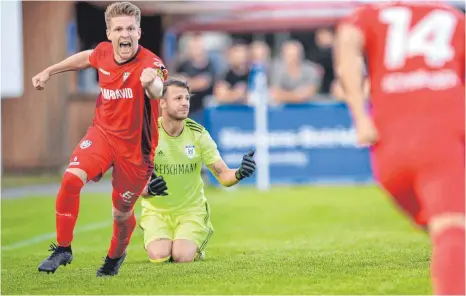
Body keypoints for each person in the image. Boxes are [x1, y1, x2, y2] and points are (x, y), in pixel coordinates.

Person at [334, 2, 464, 294]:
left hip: (389, 149)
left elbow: (347, 46)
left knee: (444, 231)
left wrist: (360, 115)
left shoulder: (369, 16)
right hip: (442, 140)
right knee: (452, 231)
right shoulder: (454, 19)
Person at [31, 2, 168, 276]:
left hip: (136, 152)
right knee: (71, 178)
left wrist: (150, 82)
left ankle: (114, 258)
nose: (124, 34)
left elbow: (157, 90)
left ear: (139, 32)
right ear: (109, 33)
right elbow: (85, 57)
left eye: (130, 28)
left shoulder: (151, 64)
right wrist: (48, 71)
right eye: (118, 29)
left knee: (121, 214)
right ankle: (63, 248)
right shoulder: (103, 53)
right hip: (103, 134)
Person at [139, 77, 256, 263]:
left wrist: (240, 172)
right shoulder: (148, 134)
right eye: (178, 98)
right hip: (157, 212)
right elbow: (134, 184)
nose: (185, 103)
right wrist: (149, 189)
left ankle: (196, 244)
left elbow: (223, 175)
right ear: (162, 103)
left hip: (191, 211)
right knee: (159, 256)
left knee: (181, 256)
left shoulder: (198, 134)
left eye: (187, 98)